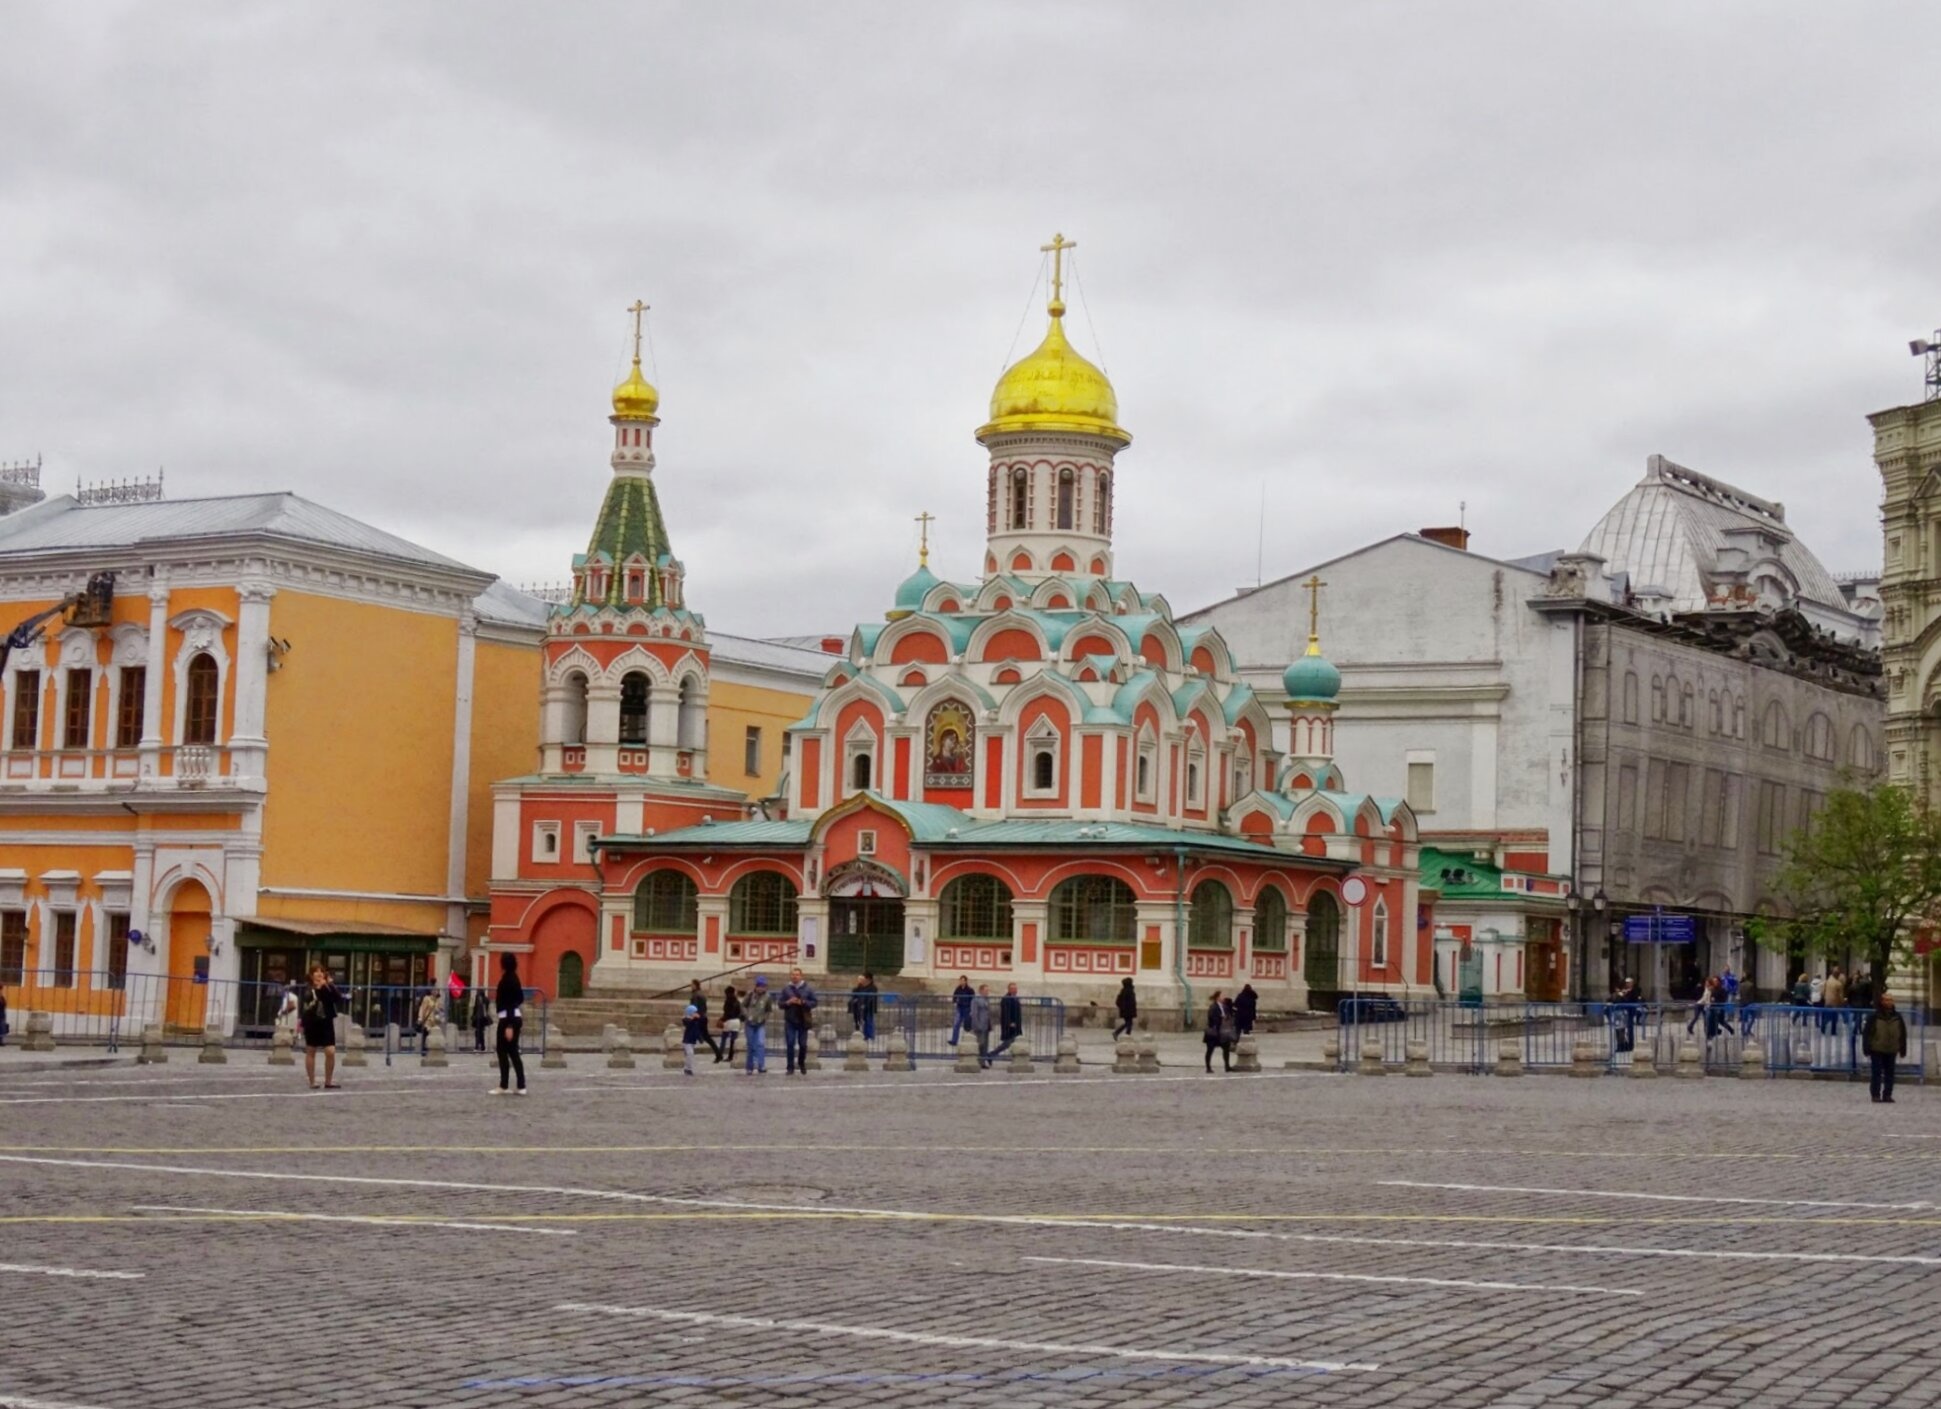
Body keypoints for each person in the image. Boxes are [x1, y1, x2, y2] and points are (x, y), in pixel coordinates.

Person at [298, 963, 346, 1091]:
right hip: (312, 1022)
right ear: (311, 975)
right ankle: (312, 1081)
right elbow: (307, 1003)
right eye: (316, 971)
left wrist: (328, 985)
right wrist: (318, 988)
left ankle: (328, 1081)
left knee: (330, 1051)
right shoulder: (308, 989)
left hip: (326, 1021)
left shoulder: (327, 986)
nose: (319, 974)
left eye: (321, 971)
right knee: (311, 1051)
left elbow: (337, 998)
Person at [1862, 993, 1908, 1104]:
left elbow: (1902, 1033)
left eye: (1891, 1000)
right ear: (1882, 1001)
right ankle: (1875, 1095)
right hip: (1877, 1048)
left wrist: (1903, 1048)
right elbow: (1867, 1033)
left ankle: (1887, 1094)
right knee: (1876, 1073)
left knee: (1890, 1074)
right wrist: (1866, 1047)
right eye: (1886, 1000)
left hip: (1892, 1049)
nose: (1889, 1002)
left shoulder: (1898, 1017)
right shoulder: (1874, 1017)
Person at [493, 952, 527, 1095]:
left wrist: (509, 1026)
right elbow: (520, 999)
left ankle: (504, 1085)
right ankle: (520, 1085)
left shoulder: (508, 980)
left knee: (504, 1051)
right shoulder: (515, 978)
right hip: (513, 1017)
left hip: (508, 1019)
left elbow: (511, 1003)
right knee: (512, 1052)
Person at [780, 967, 818, 1075]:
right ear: (790, 976)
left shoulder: (808, 989)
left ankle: (801, 1063)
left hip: (803, 1020)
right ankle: (790, 1066)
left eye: (797, 974)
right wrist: (788, 1002)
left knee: (803, 1044)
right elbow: (780, 1003)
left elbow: (814, 1002)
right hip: (790, 1020)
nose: (795, 976)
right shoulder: (786, 989)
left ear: (801, 976)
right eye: (793, 974)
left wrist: (803, 1002)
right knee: (790, 1043)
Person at [742, 975, 774, 1075]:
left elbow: (769, 1010)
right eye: (759, 985)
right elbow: (743, 1005)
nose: (761, 988)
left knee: (760, 1043)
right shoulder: (750, 995)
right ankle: (749, 1066)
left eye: (763, 986)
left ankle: (761, 1065)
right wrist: (746, 1015)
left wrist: (765, 1018)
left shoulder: (767, 997)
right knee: (751, 1045)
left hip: (760, 1023)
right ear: (756, 986)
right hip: (750, 1023)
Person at [987, 982, 1024, 1064]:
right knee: (1007, 1043)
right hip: (1010, 1025)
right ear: (1009, 989)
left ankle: (992, 1055)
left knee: (1013, 1042)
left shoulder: (1015, 998)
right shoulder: (1006, 999)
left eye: (1016, 988)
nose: (1015, 990)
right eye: (1013, 988)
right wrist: (1009, 1023)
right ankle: (991, 1055)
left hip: (1016, 1025)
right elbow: (1005, 1013)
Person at [687, 980, 723, 1062]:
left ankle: (699, 1041)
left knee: (691, 1036)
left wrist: (692, 1016)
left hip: (698, 1018)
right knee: (707, 1037)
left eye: (692, 985)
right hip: (703, 1017)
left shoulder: (695, 995)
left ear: (695, 985)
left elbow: (694, 1008)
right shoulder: (701, 994)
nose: (691, 986)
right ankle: (718, 1054)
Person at [1204, 989, 1235, 1073]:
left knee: (1226, 1049)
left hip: (1223, 1032)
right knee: (1210, 1050)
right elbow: (1211, 1017)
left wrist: (1227, 1017)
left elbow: (1229, 1015)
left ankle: (1227, 1066)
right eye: (1222, 996)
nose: (1224, 997)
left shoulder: (1225, 1006)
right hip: (1214, 1032)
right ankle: (1208, 1067)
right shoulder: (1213, 1006)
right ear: (1218, 998)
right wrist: (1220, 1018)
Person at [1611, 976, 1640, 1053]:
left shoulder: (1634, 991)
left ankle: (1630, 1045)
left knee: (1629, 1029)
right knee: (1620, 1029)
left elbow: (1631, 999)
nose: (1628, 984)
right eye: (1627, 983)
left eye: (1629, 983)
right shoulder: (1623, 991)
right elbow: (1615, 1000)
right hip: (1621, 1013)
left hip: (1629, 1012)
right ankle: (1621, 1045)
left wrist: (1623, 995)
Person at [848, 972, 880, 1043]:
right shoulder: (861, 987)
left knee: (869, 1021)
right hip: (860, 1007)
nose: (863, 980)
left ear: (868, 979)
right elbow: (856, 993)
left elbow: (871, 998)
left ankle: (870, 1037)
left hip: (869, 1008)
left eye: (864, 978)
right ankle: (865, 1036)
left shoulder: (873, 988)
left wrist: (865, 1005)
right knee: (862, 1021)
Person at [968, 983, 994, 1068]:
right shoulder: (976, 1000)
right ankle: (975, 1060)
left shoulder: (987, 1000)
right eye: (986, 990)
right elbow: (974, 1013)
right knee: (980, 1044)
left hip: (986, 1025)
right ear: (981, 991)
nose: (987, 992)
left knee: (985, 1045)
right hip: (979, 1025)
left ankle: (982, 1062)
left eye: (988, 990)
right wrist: (976, 1025)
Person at [718, 983, 742, 1065]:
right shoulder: (737, 1001)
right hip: (736, 1021)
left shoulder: (728, 1001)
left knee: (724, 1039)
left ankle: (720, 1055)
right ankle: (731, 1056)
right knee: (733, 1040)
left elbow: (727, 1013)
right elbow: (740, 1012)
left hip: (729, 1021)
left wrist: (721, 1019)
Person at [680, 1002, 705, 1077]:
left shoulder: (696, 1021)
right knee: (690, 1053)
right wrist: (694, 1019)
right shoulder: (686, 1019)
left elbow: (697, 1030)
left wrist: (700, 1038)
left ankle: (687, 1068)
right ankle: (688, 1069)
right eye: (694, 1012)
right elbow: (689, 1024)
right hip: (687, 1040)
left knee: (689, 1055)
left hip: (693, 1040)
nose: (696, 1013)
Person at [948, 975, 974, 1046]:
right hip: (959, 1008)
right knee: (956, 1024)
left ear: (966, 981)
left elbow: (973, 999)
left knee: (968, 1026)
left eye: (963, 980)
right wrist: (955, 1002)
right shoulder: (958, 989)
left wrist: (972, 1009)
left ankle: (970, 1041)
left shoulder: (969, 990)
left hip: (967, 1009)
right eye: (960, 980)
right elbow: (954, 997)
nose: (961, 982)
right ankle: (954, 1040)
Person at [415, 988, 441, 1057]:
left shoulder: (437, 1000)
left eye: (436, 991)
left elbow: (438, 1011)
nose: (435, 992)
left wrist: (439, 1016)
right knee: (425, 1035)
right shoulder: (427, 999)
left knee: (433, 1035)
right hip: (427, 1020)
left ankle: (432, 1049)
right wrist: (420, 1018)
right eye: (434, 990)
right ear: (431, 991)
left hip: (434, 1021)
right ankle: (424, 1050)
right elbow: (422, 1008)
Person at [472, 986, 492, 1052]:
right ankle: (482, 1046)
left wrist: (473, 1015)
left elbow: (476, 1008)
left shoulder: (481, 999)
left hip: (480, 1018)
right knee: (480, 1032)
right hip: (481, 1017)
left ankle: (478, 1046)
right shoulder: (483, 999)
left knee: (478, 1032)